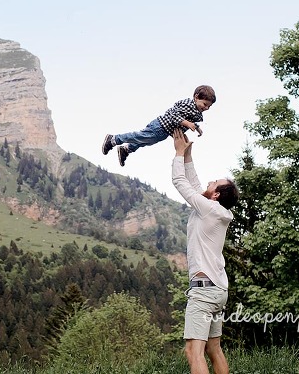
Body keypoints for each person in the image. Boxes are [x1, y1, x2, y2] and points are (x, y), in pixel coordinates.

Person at [171, 129, 238, 374]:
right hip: (217, 290)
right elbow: (196, 183)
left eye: (214, 183)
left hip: (204, 291)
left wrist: (178, 154)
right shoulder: (216, 210)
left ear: (216, 194)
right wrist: (188, 154)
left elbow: (181, 183)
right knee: (214, 349)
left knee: (193, 351)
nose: (209, 182)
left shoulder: (208, 208)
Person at [102, 85, 216, 167]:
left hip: (164, 132)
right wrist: (188, 124)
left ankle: (126, 149)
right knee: (139, 136)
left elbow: (188, 119)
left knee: (145, 141)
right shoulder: (188, 105)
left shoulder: (195, 110)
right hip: (160, 127)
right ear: (196, 97)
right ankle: (114, 139)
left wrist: (196, 127)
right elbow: (174, 116)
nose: (206, 108)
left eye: (209, 107)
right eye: (205, 104)